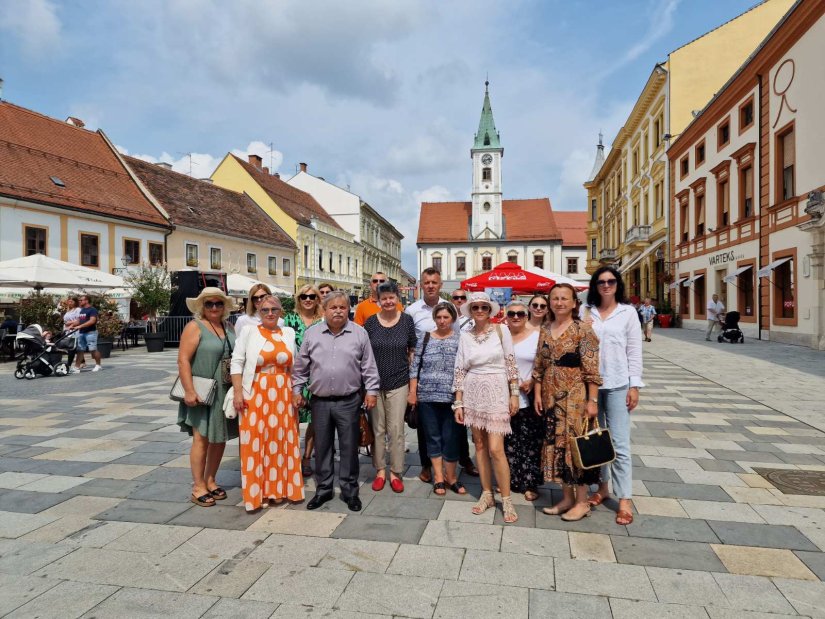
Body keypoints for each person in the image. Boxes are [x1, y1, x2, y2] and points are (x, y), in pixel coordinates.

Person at [293, 291, 380, 512]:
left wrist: (371, 391)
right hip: (320, 402)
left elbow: (368, 366)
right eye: (333, 307)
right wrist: (297, 390)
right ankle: (324, 489)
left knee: (350, 447)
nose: (338, 311)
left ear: (348, 309)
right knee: (322, 447)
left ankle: (350, 491)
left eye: (343, 307)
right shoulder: (312, 334)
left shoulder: (359, 334)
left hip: (349, 400)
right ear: (324, 310)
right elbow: (301, 366)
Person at [534, 283, 602, 521]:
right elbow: (539, 365)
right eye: (555, 298)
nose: (559, 302)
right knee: (556, 446)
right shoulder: (545, 328)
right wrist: (537, 392)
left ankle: (582, 501)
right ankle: (567, 497)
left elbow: (592, 370)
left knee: (575, 448)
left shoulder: (583, 330)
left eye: (564, 298)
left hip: (575, 399)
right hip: (551, 399)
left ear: (574, 303)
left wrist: (592, 401)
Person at [582, 266, 643, 526]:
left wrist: (635, 385)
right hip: (591, 385)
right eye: (601, 282)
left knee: (619, 443)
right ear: (595, 286)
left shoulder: (628, 313)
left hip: (618, 384)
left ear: (618, 284)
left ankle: (625, 498)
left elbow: (635, 350)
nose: (606, 285)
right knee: (597, 439)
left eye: (611, 281)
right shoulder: (587, 311)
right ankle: (603, 487)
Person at [453, 292, 520, 523]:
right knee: (479, 444)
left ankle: (507, 499)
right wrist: (458, 401)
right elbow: (460, 367)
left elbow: (511, 363)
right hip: (472, 391)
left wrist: (514, 394)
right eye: (475, 307)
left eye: (483, 307)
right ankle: (487, 493)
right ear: (470, 311)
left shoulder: (502, 331)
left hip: (497, 390)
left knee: (496, 448)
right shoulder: (465, 335)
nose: (479, 310)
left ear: (490, 310)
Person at [230, 295, 302, 511]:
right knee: (255, 441)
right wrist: (237, 392)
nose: (270, 313)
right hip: (256, 391)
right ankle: (257, 492)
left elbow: (295, 364)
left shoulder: (288, 333)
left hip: (283, 391)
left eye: (274, 309)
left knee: (281, 440)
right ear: (258, 312)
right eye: (265, 310)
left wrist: (297, 391)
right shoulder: (249, 331)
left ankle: (278, 490)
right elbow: (237, 361)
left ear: (281, 312)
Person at [407, 268, 478, 481]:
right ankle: (427, 466)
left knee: (454, 426)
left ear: (440, 285)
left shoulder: (450, 310)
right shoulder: (412, 310)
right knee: (426, 429)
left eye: (434, 282)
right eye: (426, 282)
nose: (430, 286)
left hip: (450, 382)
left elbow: (459, 343)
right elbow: (411, 343)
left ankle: (463, 459)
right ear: (421, 284)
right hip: (425, 377)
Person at [177, 287, 237, 507]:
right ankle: (198, 486)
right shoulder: (194, 327)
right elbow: (183, 360)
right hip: (202, 390)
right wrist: (189, 390)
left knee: (220, 438)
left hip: (224, 390)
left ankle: (211, 480)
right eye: (209, 303)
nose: (214, 307)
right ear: (202, 306)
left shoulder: (229, 327)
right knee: (201, 438)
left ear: (224, 307)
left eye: (218, 303)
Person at [364, 281, 417, 493]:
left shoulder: (406, 321)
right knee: (377, 429)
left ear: (397, 298)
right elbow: (364, 353)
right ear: (378, 300)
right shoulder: (370, 323)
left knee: (396, 429)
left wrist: (413, 386)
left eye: (391, 297)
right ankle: (379, 470)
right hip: (374, 383)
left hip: (399, 381)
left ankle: (395, 472)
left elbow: (412, 349)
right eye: (383, 298)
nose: (387, 301)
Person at [409, 302, 464, 496]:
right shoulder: (424, 338)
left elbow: (463, 369)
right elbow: (415, 367)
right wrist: (413, 392)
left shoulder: (460, 340)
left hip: (451, 397)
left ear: (452, 319)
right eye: (438, 317)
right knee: (432, 438)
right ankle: (438, 478)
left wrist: (461, 397)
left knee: (451, 438)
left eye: (446, 317)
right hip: (427, 396)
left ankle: (452, 478)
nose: (442, 321)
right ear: (434, 319)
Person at [282, 285, 324, 477]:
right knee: (292, 419)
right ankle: (291, 457)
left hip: (317, 376)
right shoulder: (289, 320)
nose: (308, 299)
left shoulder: (323, 320)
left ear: (317, 299)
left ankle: (306, 458)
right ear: (298, 299)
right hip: (295, 375)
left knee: (315, 421)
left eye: (312, 296)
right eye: (303, 296)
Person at [503, 300, 542, 502]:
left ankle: (530, 482)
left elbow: (543, 364)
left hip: (527, 395)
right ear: (506, 316)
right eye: (512, 314)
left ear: (527, 316)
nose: (516, 317)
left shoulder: (536, 337)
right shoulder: (500, 336)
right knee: (508, 441)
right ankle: (512, 479)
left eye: (520, 313)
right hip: (503, 397)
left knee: (528, 442)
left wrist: (533, 380)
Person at [72, 295, 102, 373]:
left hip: (90, 332)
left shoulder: (92, 310)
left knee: (93, 350)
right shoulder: (82, 310)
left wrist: (80, 326)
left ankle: (98, 365)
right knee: (80, 350)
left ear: (86, 301)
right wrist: (71, 326)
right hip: (82, 332)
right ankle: (76, 367)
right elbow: (79, 320)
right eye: (79, 300)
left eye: (81, 300)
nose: (79, 302)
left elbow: (92, 321)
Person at [62, 297, 81, 370]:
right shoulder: (68, 310)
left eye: (71, 301)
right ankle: (82, 362)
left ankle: (69, 364)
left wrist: (70, 323)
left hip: (75, 331)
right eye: (69, 301)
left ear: (75, 302)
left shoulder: (78, 310)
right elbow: (65, 321)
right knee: (74, 348)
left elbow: (79, 320)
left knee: (72, 348)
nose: (70, 303)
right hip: (68, 331)